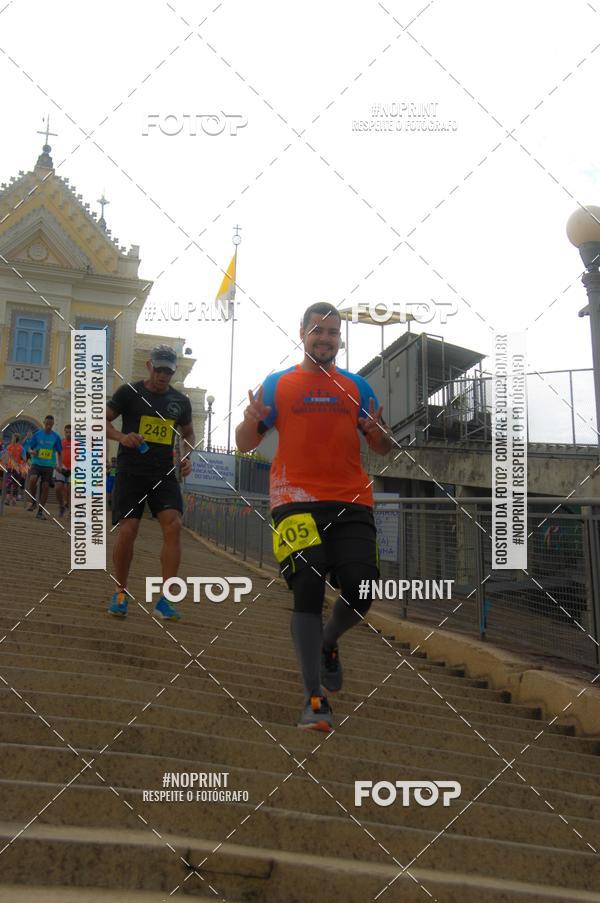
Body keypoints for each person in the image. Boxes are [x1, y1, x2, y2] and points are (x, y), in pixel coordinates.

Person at [236, 302, 393, 731]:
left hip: (351, 501)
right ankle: (313, 697)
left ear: (340, 339)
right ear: (302, 332)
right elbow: (246, 443)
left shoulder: (357, 387)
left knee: (361, 590)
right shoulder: (278, 384)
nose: (325, 339)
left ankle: (328, 641)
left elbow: (382, 447)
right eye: (317, 331)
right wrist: (249, 421)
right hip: (293, 500)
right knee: (307, 586)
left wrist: (378, 434)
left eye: (333, 333)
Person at [106, 345, 195, 621]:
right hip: (131, 471)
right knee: (128, 530)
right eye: (159, 370)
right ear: (149, 366)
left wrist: (187, 456)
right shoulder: (128, 393)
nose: (162, 376)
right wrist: (122, 437)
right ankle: (120, 592)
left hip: (163, 474)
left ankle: (165, 600)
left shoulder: (180, 402)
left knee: (174, 525)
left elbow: (188, 433)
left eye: (168, 371)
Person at [26, 416, 63, 520]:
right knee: (32, 479)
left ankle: (40, 512)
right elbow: (29, 448)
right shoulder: (37, 434)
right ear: (44, 423)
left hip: (49, 466)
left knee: (46, 487)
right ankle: (33, 501)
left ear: (53, 424)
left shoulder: (56, 437)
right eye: (47, 424)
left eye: (50, 424)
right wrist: (32, 452)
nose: (48, 426)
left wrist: (59, 465)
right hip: (36, 463)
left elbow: (59, 452)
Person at [54, 423, 72, 518]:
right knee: (58, 488)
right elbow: (54, 455)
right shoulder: (60, 442)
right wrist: (57, 465)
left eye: (70, 432)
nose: (68, 434)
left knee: (70, 488)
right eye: (67, 432)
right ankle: (62, 506)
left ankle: (71, 510)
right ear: (64, 432)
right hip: (61, 468)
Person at [3, 433, 24, 505]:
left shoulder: (20, 448)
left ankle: (12, 499)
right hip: (12, 468)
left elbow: (23, 459)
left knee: (13, 483)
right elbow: (6, 457)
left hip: (15, 468)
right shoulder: (11, 447)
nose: (12, 439)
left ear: (15, 439)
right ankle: (9, 499)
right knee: (11, 483)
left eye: (13, 438)